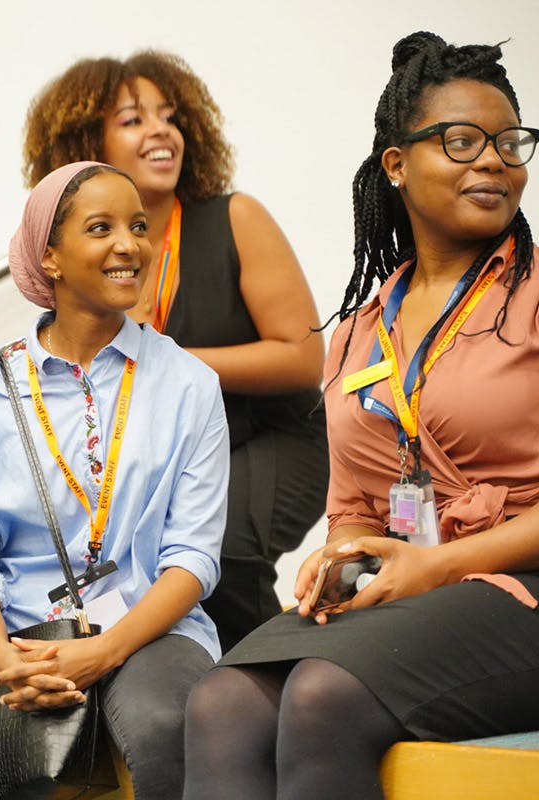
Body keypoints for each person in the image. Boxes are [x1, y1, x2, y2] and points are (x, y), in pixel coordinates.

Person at [182, 32, 539, 800]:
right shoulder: (361, 332)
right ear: (396, 164)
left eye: (509, 143)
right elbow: (354, 510)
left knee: (319, 695)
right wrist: (341, 557)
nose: (494, 161)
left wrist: (433, 565)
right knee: (220, 701)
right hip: (420, 594)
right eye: (462, 141)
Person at [0, 162, 229, 800]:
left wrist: (101, 653)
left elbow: (192, 557)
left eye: (138, 226)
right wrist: (1, 657)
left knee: (166, 727)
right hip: (15, 640)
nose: (129, 244)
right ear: (49, 257)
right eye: (100, 228)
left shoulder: (190, 383)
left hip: (148, 628)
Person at [23, 51, 328, 651]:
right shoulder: (89, 269)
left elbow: (302, 357)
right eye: (134, 120)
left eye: (169, 116)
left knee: (222, 552)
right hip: (169, 460)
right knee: (136, 574)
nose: (162, 131)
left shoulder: (234, 217)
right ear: (87, 145)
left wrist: (164, 354)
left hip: (269, 440)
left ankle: (285, 685)